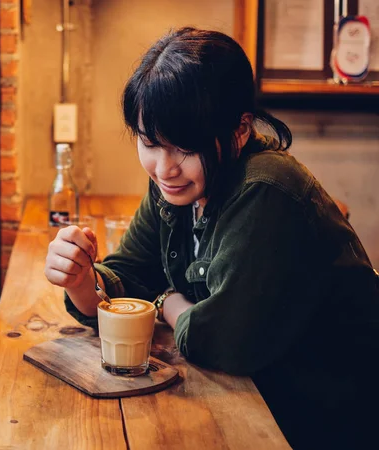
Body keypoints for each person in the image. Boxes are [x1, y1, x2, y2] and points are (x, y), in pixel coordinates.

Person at [44, 27, 379, 448]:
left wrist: (167, 303)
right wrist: (80, 280)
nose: (163, 167)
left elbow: (223, 341)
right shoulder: (177, 186)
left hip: (329, 420)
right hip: (259, 402)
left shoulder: (266, 189)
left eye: (184, 148)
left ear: (240, 130)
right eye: (150, 142)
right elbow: (128, 277)